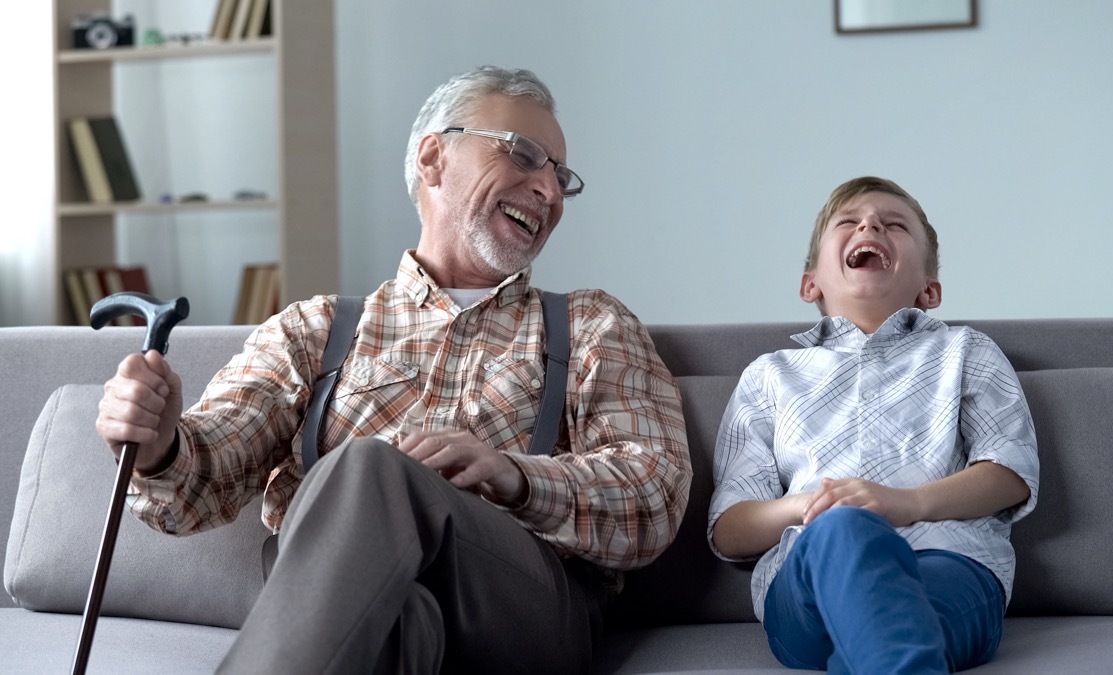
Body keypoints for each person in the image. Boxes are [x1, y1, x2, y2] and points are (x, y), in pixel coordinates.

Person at [96, 65, 691, 674]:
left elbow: (655, 494)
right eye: (525, 156)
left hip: (521, 604)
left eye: (560, 176)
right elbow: (199, 483)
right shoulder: (316, 328)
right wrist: (158, 443)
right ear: (434, 158)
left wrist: (514, 476)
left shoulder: (591, 324)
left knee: (372, 464)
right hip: (345, 609)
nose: (550, 191)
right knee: (401, 623)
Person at [707, 176, 1039, 673]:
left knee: (886, 636)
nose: (870, 224)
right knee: (845, 532)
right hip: (812, 576)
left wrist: (906, 503)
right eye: (849, 221)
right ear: (810, 283)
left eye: (895, 224)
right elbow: (731, 527)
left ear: (930, 289)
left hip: (947, 563)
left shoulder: (966, 351)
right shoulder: (770, 376)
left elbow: (1010, 471)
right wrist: (820, 506)